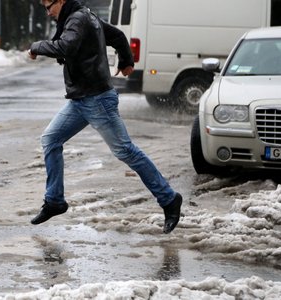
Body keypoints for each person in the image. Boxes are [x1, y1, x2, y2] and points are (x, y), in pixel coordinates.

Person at [27, 0, 182, 234]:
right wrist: (126, 60)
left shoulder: (78, 19)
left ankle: (169, 199)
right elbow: (118, 36)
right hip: (81, 99)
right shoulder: (83, 17)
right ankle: (55, 201)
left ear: (61, 1)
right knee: (50, 139)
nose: (47, 13)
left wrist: (36, 46)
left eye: (49, 7)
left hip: (97, 99)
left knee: (125, 151)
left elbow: (65, 47)